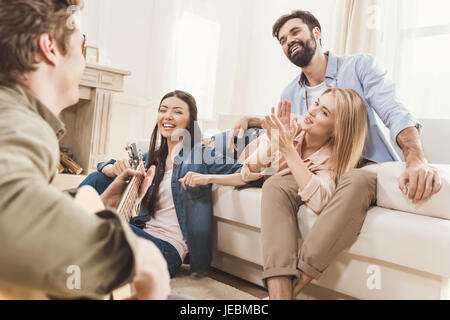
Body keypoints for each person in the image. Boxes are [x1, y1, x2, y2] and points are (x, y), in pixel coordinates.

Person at [224, 10, 442, 299]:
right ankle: (277, 292)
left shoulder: (359, 66)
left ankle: (293, 288)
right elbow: (290, 127)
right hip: (318, 167)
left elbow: (395, 111)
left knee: (355, 179)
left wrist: (415, 157)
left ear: (316, 32)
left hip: (362, 166)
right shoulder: (290, 91)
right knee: (275, 184)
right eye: (283, 40)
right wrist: (255, 122)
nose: (289, 41)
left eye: (295, 32)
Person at [0, 0, 171, 300]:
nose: (83, 63)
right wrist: (134, 256)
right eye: (80, 48)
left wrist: (94, 208)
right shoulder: (17, 118)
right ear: (50, 48)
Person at [79, 90, 243, 277]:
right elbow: (105, 165)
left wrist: (208, 178)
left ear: (190, 121)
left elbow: (243, 171)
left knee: (107, 225)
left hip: (166, 251)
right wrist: (112, 169)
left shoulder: (201, 155)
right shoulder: (152, 158)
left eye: (177, 112)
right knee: (96, 179)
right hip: (142, 234)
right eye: (163, 110)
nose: (167, 116)